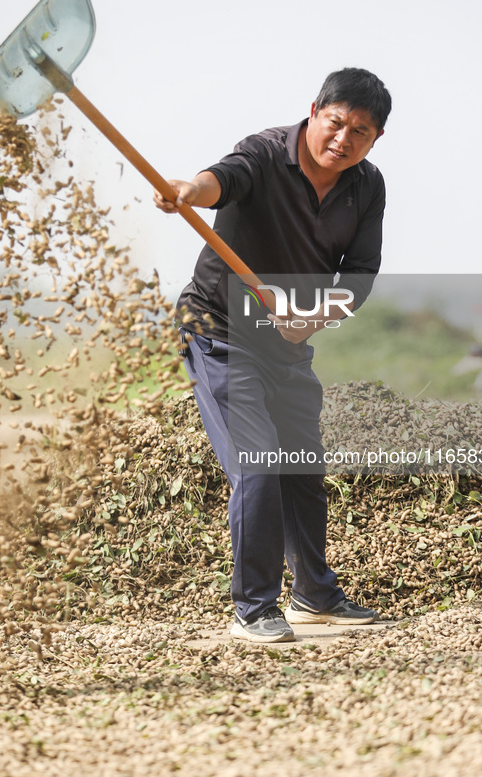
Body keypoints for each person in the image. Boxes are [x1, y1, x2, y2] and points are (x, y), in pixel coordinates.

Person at [154, 67, 392, 643]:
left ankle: (314, 594)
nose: (343, 139)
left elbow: (360, 272)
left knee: (302, 472)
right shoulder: (263, 153)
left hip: (287, 345)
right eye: (336, 123)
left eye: (360, 131)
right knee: (258, 464)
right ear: (314, 111)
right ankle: (254, 608)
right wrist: (190, 191)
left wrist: (315, 315)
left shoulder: (367, 186)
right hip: (219, 332)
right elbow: (222, 181)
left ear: (375, 138)